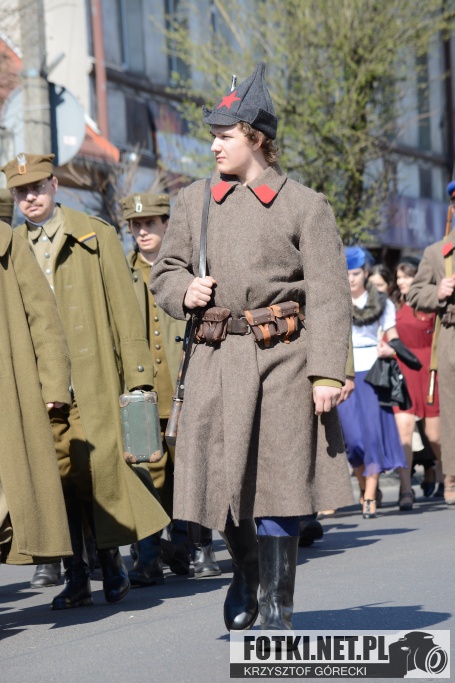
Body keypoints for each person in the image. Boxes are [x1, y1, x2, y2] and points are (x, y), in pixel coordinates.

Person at [150, 62, 354, 632]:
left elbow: (330, 295)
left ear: (257, 138)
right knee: (220, 479)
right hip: (215, 358)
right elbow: (165, 270)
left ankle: (276, 607)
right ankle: (247, 571)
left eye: (225, 136)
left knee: (279, 482)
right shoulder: (194, 202)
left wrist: (327, 373)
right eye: (213, 136)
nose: (214, 145)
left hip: (284, 357)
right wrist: (183, 290)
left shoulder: (306, 206)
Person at [2, 153, 169, 609]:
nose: (30, 197)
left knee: (96, 473)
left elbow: (125, 311)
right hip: (38, 387)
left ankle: (110, 561)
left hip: (92, 380)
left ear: (55, 185)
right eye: (21, 191)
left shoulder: (96, 234)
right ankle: (76, 572)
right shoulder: (11, 245)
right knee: (56, 480)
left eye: (37, 187)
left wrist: (138, 380)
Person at [121, 191, 221, 582]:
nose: (143, 231)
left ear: (166, 224)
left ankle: (197, 547)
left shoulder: (191, 267)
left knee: (193, 469)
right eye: (136, 225)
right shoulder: (121, 270)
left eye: (150, 223)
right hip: (142, 391)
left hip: (188, 384)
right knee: (147, 471)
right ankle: (148, 557)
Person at [0, 221, 72, 569]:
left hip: (8, 395)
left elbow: (43, 317)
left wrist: (54, 383)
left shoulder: (8, 242)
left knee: (9, 503)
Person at [337, 246, 407, 517]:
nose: (350, 278)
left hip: (374, 372)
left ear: (365, 272)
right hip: (343, 372)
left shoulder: (382, 302)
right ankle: (366, 484)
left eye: (355, 273)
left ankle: (369, 496)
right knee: (352, 439)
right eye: (346, 273)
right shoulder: (336, 300)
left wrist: (391, 348)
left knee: (374, 436)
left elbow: (393, 336)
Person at [408, 180, 455, 507]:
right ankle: (451, 476)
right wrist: (437, 292)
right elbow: (414, 293)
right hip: (451, 335)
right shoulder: (437, 252)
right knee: (451, 413)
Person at [392, 257, 442, 508]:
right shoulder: (393, 304)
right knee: (404, 431)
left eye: (407, 277)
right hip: (402, 373)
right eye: (398, 277)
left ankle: (446, 476)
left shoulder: (433, 304)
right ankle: (405, 489)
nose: (401, 282)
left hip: (431, 372)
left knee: (434, 435)